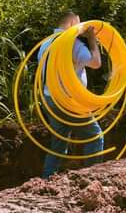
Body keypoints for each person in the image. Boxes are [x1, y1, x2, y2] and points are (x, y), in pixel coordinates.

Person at [38, 10, 103, 178]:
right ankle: (93, 180)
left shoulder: (45, 44)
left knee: (58, 145)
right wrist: (91, 38)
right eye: (79, 23)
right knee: (95, 137)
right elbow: (96, 63)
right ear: (73, 24)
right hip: (70, 102)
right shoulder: (73, 45)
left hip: (50, 99)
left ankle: (45, 180)